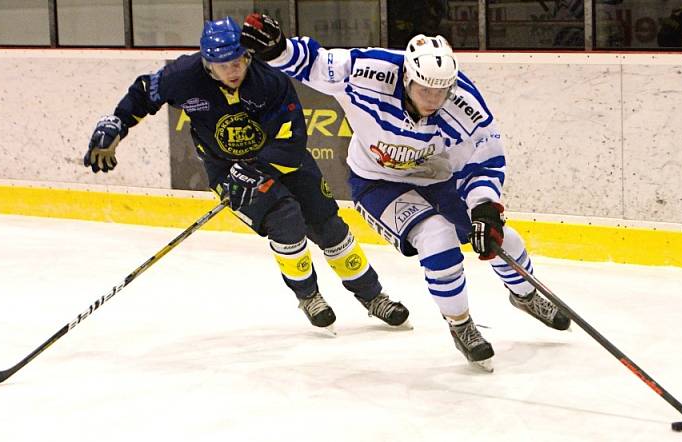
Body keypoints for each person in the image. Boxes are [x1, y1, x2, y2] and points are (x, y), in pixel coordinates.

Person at [241, 14, 571, 371]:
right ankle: (461, 325)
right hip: (376, 182)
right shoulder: (369, 71)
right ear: (407, 77)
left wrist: (484, 211)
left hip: (438, 178)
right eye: (424, 89)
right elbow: (315, 64)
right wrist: (278, 49)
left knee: (503, 239)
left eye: (441, 91)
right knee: (437, 236)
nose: (433, 98)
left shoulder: (464, 104)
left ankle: (526, 295)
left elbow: (482, 163)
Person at [82, 17, 410, 334]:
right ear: (208, 63)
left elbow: (293, 140)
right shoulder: (183, 76)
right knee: (285, 218)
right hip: (225, 168)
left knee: (329, 225)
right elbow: (144, 92)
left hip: (284, 160)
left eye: (239, 61)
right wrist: (117, 123)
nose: (234, 70)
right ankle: (308, 295)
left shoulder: (270, 79)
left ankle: (373, 296)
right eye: (224, 65)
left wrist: (255, 169)